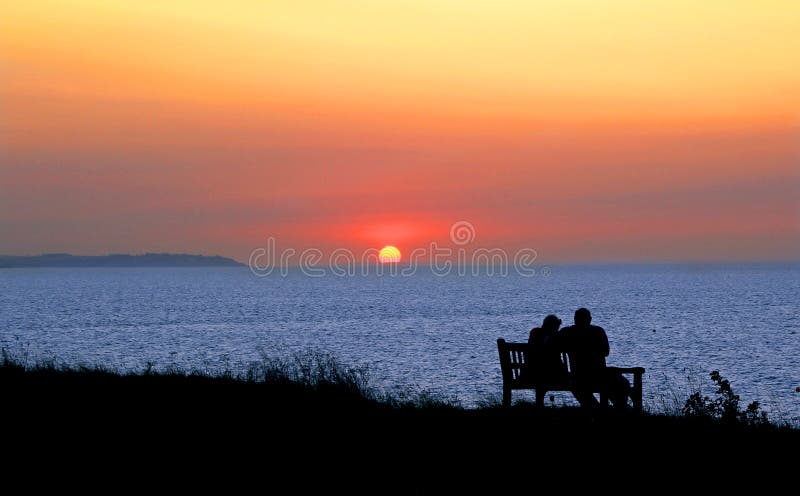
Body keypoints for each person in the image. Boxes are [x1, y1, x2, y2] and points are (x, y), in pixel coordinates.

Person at [557, 308, 630, 409]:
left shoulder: (567, 332)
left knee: (619, 382)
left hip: (579, 375)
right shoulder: (598, 331)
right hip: (597, 374)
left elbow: (553, 344)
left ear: (575, 319)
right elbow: (606, 352)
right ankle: (620, 407)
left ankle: (612, 407)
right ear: (590, 319)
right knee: (621, 382)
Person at [523, 314, 567, 386]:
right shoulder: (555, 338)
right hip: (552, 376)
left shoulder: (534, 333)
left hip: (530, 375)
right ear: (554, 327)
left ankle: (539, 397)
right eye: (557, 327)